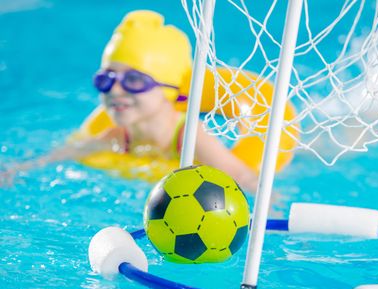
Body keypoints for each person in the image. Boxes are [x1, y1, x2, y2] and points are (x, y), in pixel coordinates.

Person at [0, 10, 258, 192]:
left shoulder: (189, 136)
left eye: (134, 80)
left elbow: (243, 177)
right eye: (106, 79)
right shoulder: (117, 136)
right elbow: (67, 154)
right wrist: (18, 169)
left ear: (169, 88)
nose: (115, 90)